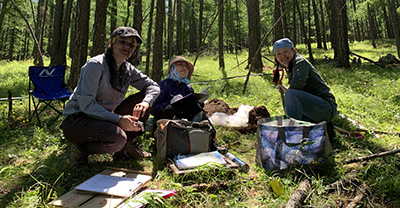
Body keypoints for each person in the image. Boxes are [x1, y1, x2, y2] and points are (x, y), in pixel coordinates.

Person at [61, 27, 160, 168]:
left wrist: (145, 102)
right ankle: (80, 150)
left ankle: (126, 146)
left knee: (148, 98)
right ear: (112, 43)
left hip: (104, 118)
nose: (127, 47)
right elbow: (86, 105)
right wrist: (119, 120)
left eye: (131, 44)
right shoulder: (96, 65)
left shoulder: (128, 69)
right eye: (122, 42)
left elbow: (154, 87)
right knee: (118, 139)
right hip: (78, 119)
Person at [272, 38, 337, 138]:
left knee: (290, 95)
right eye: (278, 54)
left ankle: (292, 136)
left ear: (293, 51)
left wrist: (288, 92)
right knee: (289, 98)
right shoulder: (290, 65)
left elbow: (295, 91)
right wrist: (285, 89)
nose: (282, 56)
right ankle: (319, 130)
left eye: (285, 51)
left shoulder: (300, 63)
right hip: (314, 107)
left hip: (326, 108)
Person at [151, 56, 196, 121]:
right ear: (173, 67)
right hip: (166, 125)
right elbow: (153, 110)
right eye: (180, 64)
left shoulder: (188, 88)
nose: (184, 68)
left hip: (187, 124)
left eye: (186, 67)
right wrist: (170, 103)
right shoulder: (164, 85)